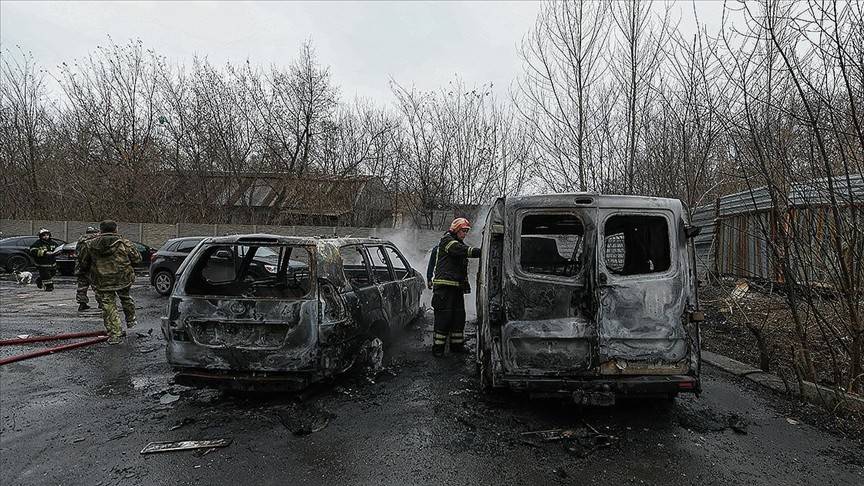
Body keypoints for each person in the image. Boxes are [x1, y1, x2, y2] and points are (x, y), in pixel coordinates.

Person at [78, 220, 142, 344]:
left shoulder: (89, 244)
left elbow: (83, 262)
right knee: (126, 298)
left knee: (108, 306)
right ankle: (130, 320)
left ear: (101, 230)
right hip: (123, 277)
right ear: (116, 229)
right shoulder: (124, 243)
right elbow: (137, 259)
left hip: (101, 280)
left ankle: (115, 334)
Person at [430, 217, 481, 357]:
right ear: (456, 230)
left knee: (458, 318)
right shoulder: (447, 240)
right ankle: (438, 349)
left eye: (466, 231)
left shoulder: (458, 242)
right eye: (463, 231)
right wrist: (482, 251)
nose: (465, 234)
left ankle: (457, 347)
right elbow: (461, 250)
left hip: (456, 288)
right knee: (444, 319)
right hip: (444, 289)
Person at [74, 226, 100, 311]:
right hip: (93, 267)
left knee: (82, 286)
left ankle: (82, 303)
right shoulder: (96, 240)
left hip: (81, 267)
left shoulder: (81, 240)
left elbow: (77, 253)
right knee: (97, 286)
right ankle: (101, 303)